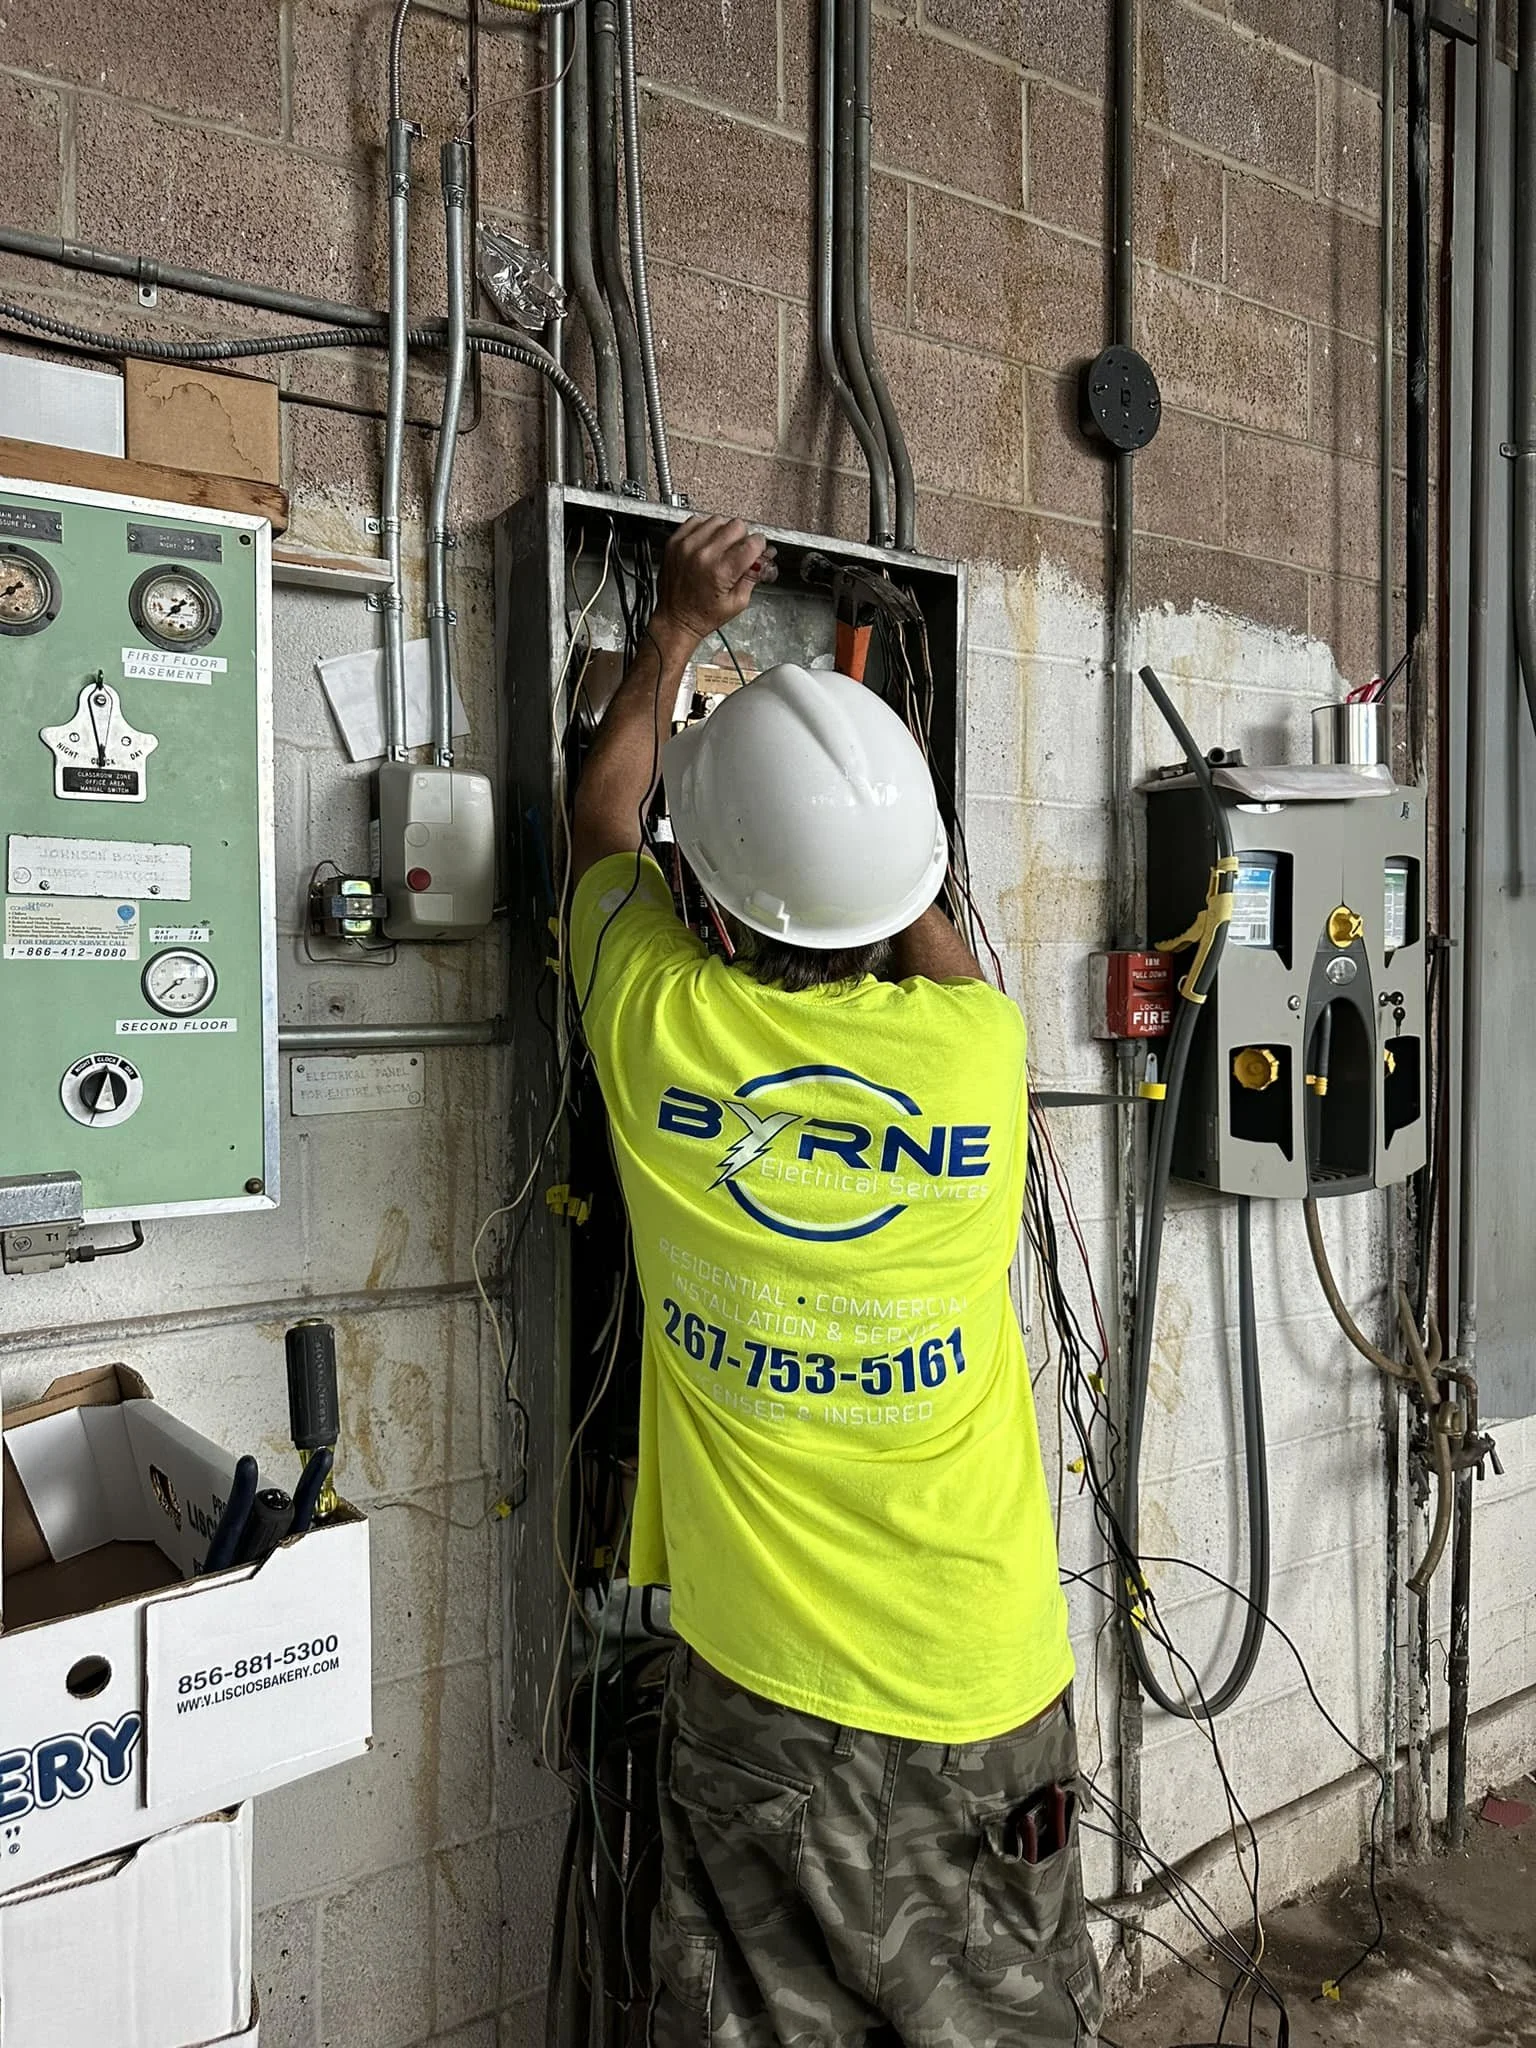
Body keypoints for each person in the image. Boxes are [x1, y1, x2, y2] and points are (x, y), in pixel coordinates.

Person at [570, 514, 1099, 2047]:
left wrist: (672, 640)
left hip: (763, 1697)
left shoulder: (657, 1024)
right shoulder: (979, 1058)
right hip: (986, 1678)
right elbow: (921, 941)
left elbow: (602, 829)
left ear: (711, 905)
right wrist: (879, 827)